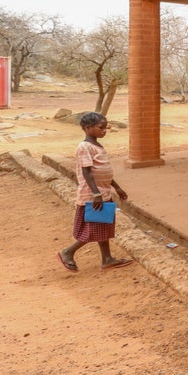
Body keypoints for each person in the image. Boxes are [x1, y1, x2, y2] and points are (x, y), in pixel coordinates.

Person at [57, 112, 133, 272]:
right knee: (93, 228)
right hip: (92, 196)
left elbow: (103, 170)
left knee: (103, 226)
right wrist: (96, 194)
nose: (104, 130)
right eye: (101, 127)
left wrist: (116, 187)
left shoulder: (97, 146)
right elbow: (87, 172)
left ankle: (107, 259)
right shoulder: (84, 147)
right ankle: (68, 252)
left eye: (106, 128)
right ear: (87, 128)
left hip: (103, 193)